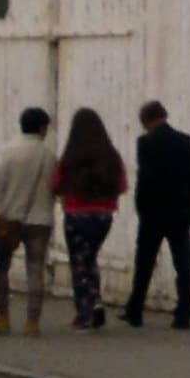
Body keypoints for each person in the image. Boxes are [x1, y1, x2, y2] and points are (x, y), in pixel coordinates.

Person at [0, 108, 60, 336]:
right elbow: (55, 189)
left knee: (1, 268)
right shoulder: (49, 156)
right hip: (40, 221)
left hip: (8, 220)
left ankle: (2, 317)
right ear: (41, 128)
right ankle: (32, 322)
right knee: (35, 269)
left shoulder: (7, 152)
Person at [123, 100, 190, 330]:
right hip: (180, 212)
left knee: (145, 263)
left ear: (146, 121)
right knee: (183, 264)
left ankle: (135, 310)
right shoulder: (185, 141)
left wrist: (141, 207)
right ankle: (183, 314)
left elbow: (145, 179)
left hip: (153, 212)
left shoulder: (146, 143)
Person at [53, 108, 125, 333]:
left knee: (79, 263)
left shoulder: (71, 158)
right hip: (103, 216)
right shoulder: (111, 157)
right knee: (90, 258)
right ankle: (95, 301)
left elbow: (56, 185)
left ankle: (86, 312)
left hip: (77, 214)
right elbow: (121, 185)